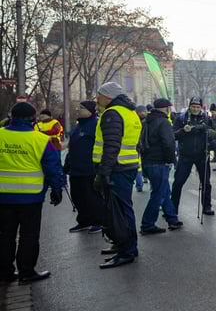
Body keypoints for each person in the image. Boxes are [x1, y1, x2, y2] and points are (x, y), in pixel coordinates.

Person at [0, 102, 65, 283]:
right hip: (31, 197)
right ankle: (26, 272)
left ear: (11, 117)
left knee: (5, 235)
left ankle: (4, 273)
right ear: (33, 119)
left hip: (3, 196)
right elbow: (52, 168)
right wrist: (57, 190)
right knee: (29, 235)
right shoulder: (41, 140)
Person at [93, 82, 142, 269]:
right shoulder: (130, 113)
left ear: (108, 97)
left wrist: (103, 173)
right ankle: (128, 246)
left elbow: (111, 146)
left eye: (99, 96)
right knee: (124, 209)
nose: (97, 99)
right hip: (127, 167)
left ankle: (126, 251)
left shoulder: (112, 114)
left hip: (116, 169)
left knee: (119, 212)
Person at [138, 98, 182, 235]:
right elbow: (168, 143)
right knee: (157, 194)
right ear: (167, 108)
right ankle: (147, 224)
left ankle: (172, 219)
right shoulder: (163, 122)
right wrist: (172, 160)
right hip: (159, 162)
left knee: (164, 191)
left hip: (148, 161)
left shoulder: (147, 121)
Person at [64, 101, 105, 234]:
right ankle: (84, 221)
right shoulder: (78, 126)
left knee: (92, 197)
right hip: (75, 169)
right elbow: (72, 147)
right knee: (78, 196)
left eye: (81, 108)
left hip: (90, 168)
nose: (78, 110)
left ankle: (98, 221)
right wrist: (67, 163)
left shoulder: (96, 124)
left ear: (90, 111)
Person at [171, 97, 214, 216]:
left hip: (202, 155)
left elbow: (213, 133)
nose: (195, 109)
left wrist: (206, 132)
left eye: (198, 107)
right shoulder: (181, 118)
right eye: (193, 106)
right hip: (185, 156)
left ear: (201, 107)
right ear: (189, 106)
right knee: (178, 183)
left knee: (206, 182)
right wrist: (183, 131)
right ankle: (172, 209)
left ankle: (207, 207)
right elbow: (173, 135)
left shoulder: (206, 118)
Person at [134, 105, 149, 193]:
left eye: (144, 111)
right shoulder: (146, 121)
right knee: (139, 166)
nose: (143, 113)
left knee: (139, 165)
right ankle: (141, 182)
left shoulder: (138, 121)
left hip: (140, 146)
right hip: (139, 146)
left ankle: (140, 183)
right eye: (141, 112)